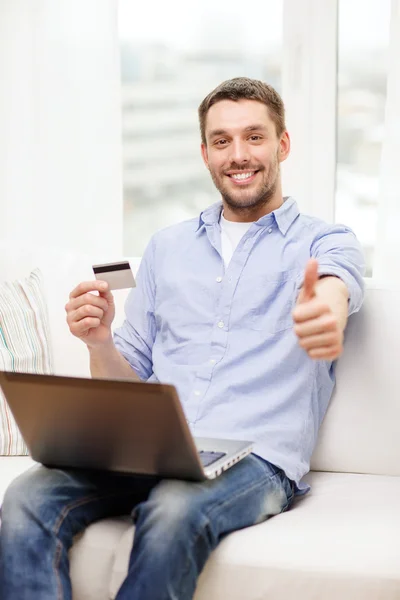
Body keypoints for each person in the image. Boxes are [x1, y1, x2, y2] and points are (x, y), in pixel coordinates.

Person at [0, 77, 365, 599]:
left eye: (254, 137)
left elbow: (334, 289)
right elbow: (127, 379)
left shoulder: (326, 240)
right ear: (205, 153)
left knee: (173, 508)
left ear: (282, 145)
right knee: (26, 495)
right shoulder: (166, 248)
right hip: (149, 449)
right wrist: (99, 342)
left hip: (255, 460)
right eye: (222, 141)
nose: (238, 155)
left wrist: (323, 313)